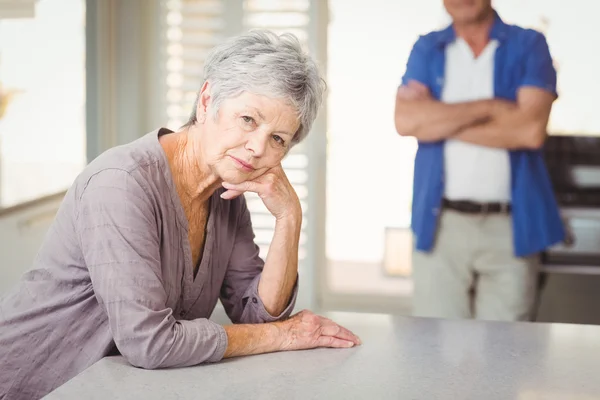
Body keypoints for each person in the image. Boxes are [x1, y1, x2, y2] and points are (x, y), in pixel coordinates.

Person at [0, 30, 360, 399]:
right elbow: (150, 342)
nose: (256, 148)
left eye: (278, 139)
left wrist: (289, 218)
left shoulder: (226, 192)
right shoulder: (120, 184)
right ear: (206, 102)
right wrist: (285, 335)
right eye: (249, 119)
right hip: (27, 385)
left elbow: (255, 315)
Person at [394, 0, 564, 321]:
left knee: (506, 355)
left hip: (513, 227)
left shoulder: (529, 45)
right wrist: (493, 108)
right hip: (440, 226)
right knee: (434, 347)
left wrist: (438, 119)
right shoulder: (427, 48)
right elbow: (406, 122)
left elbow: (529, 131)